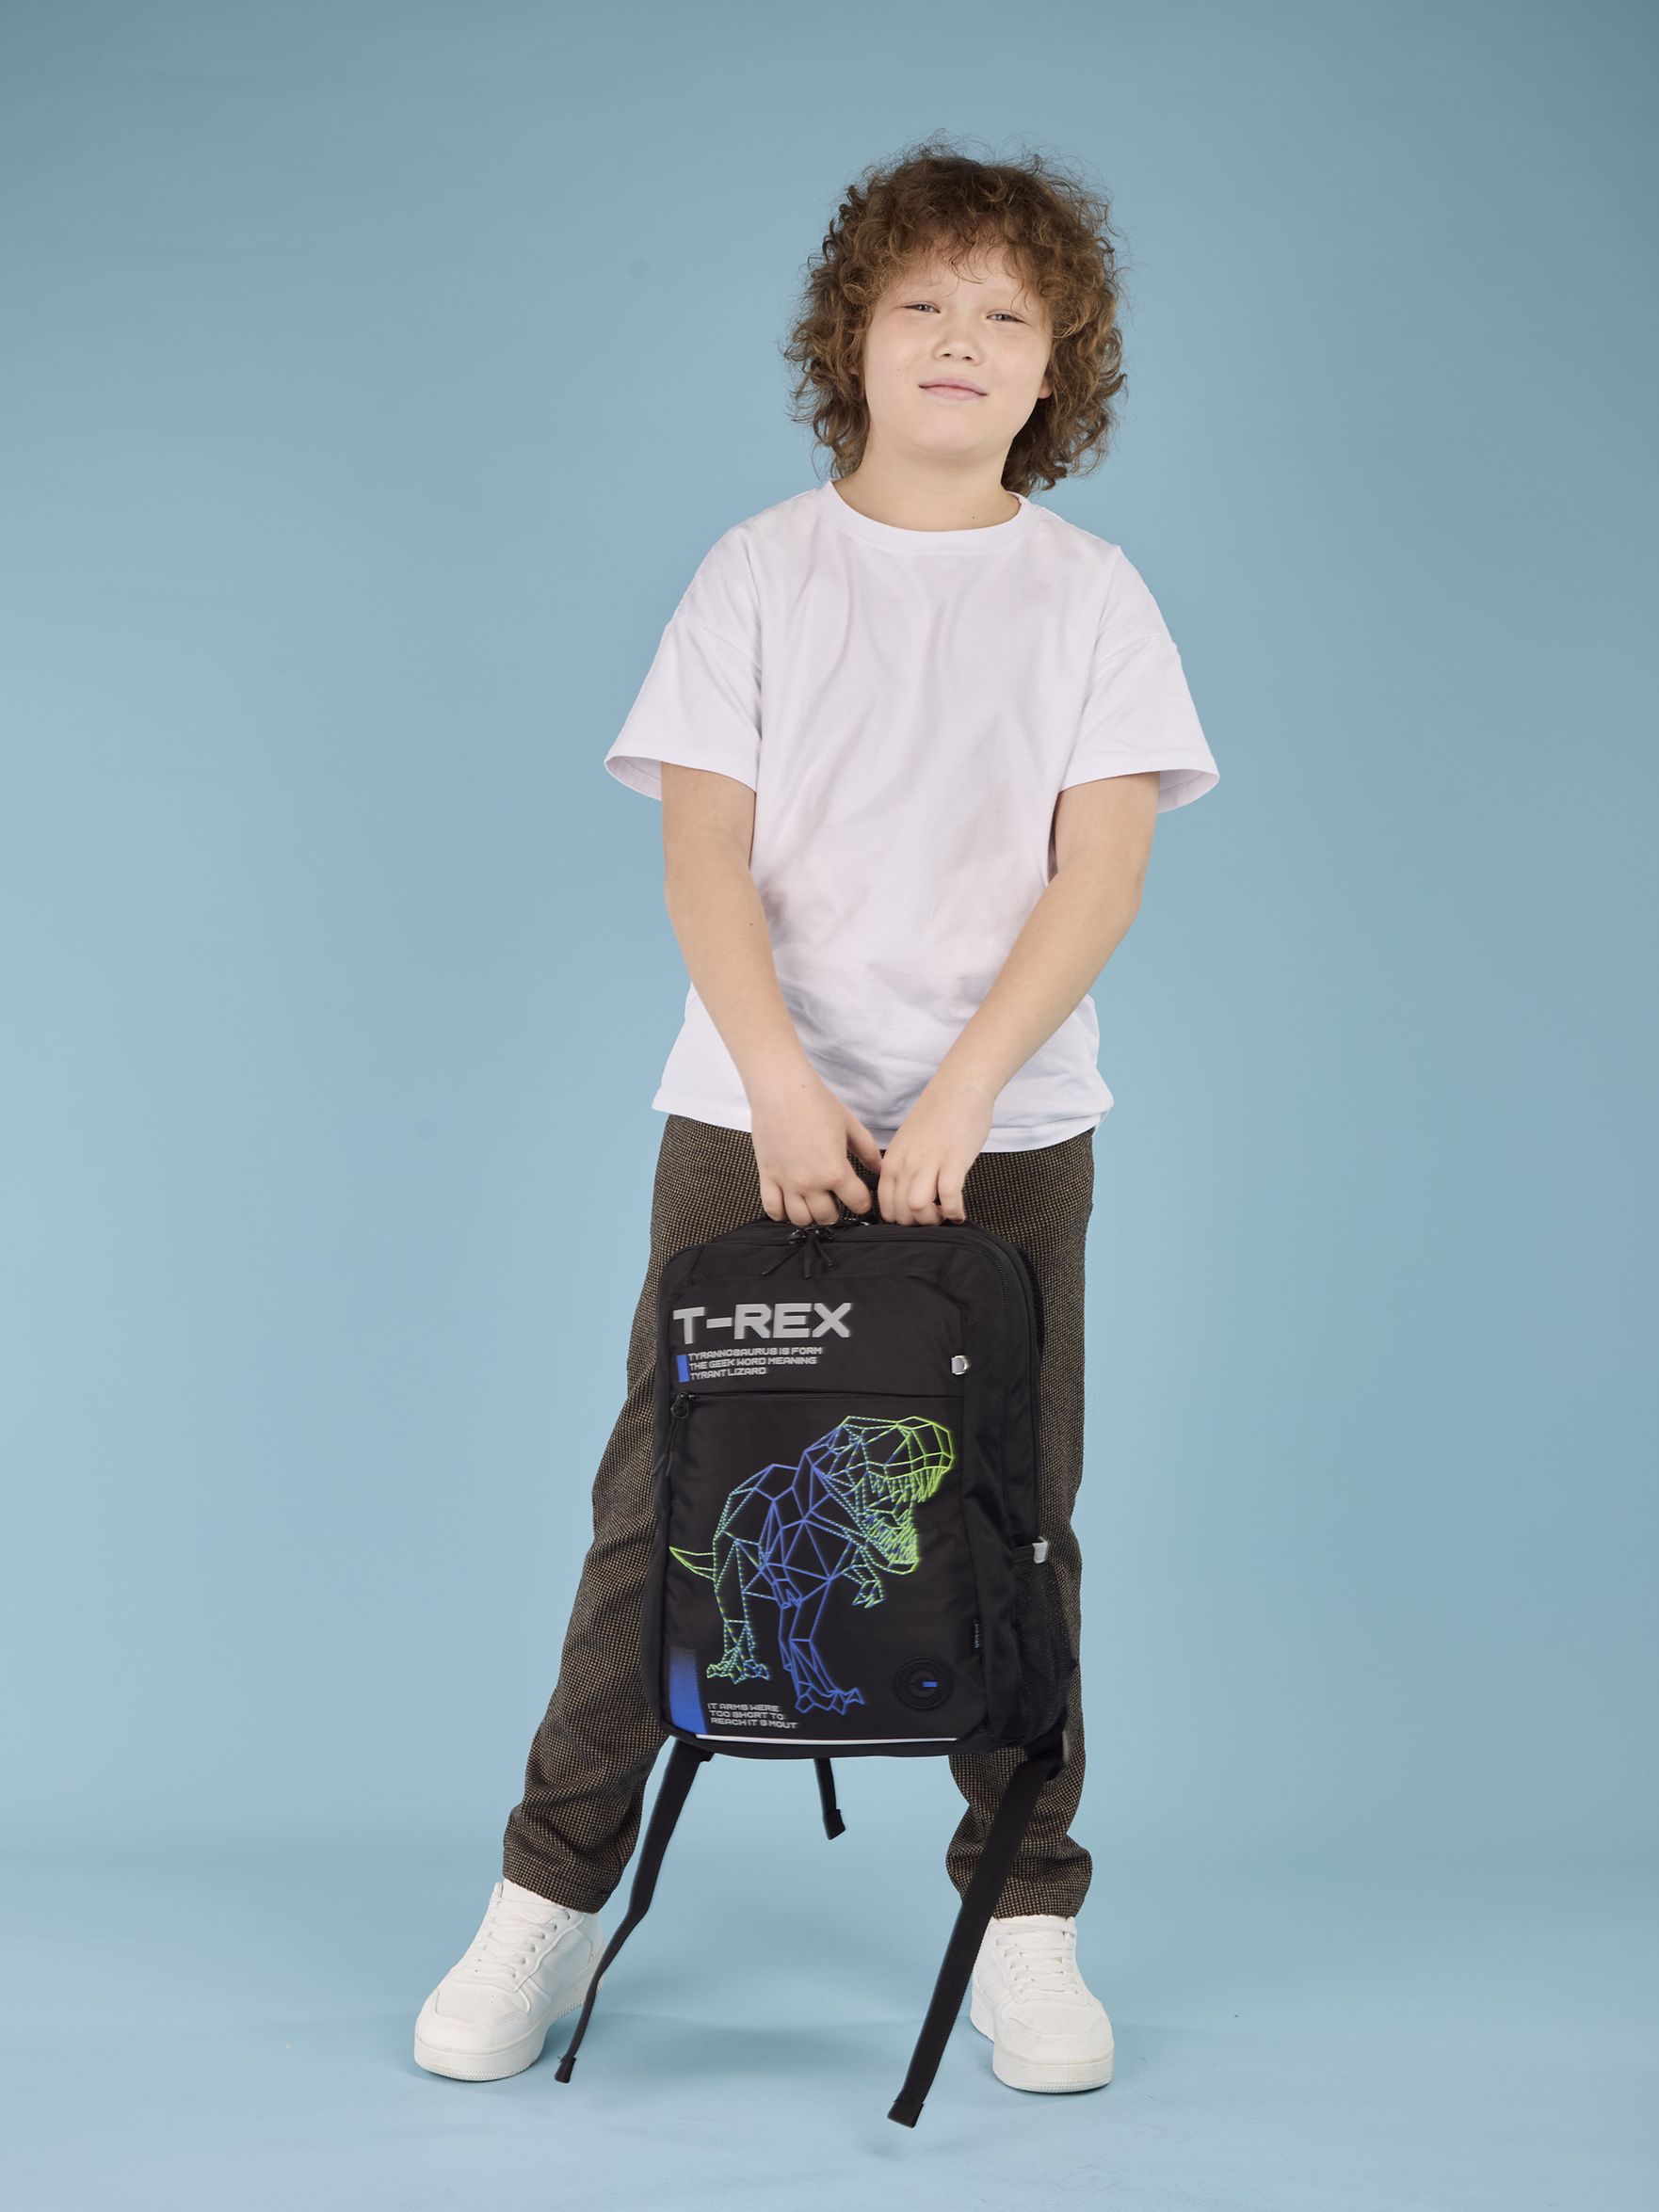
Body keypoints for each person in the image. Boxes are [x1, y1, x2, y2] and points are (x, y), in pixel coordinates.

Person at [414, 137, 1218, 2097]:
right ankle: (545, 1893)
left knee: (1014, 1509)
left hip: (1006, 1127)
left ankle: (1021, 1914)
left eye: (1004, 313)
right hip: (744, 1110)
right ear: (848, 338)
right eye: (919, 301)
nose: (959, 338)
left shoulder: (1092, 596)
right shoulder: (756, 573)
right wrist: (785, 1082)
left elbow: (1100, 872)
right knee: (662, 1503)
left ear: (1057, 366)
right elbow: (706, 855)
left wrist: (960, 1094)